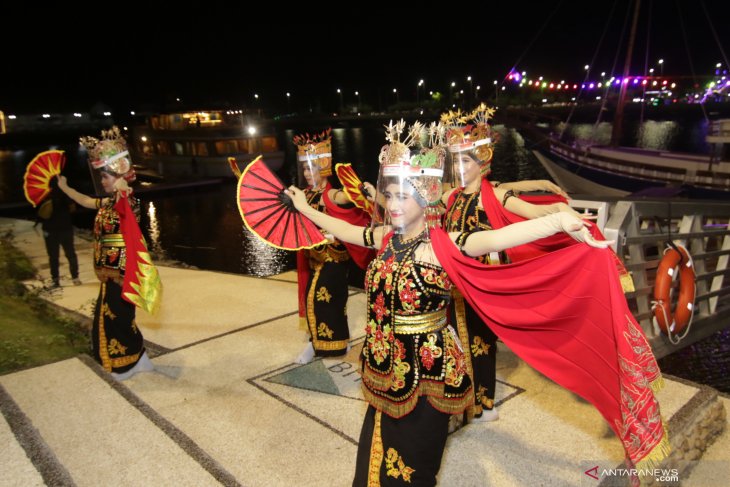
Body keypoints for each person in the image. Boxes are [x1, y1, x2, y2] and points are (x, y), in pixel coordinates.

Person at [277, 120, 666, 486]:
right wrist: (306, 208)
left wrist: (558, 223)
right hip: (382, 371)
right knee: (374, 465)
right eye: (390, 195)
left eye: (403, 196)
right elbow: (346, 228)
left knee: (413, 469)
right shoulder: (384, 238)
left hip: (428, 378)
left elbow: (498, 240)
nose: (394, 204)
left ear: (424, 196)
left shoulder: (442, 247)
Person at [440, 105, 580, 423]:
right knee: (454, 339)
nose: (459, 167)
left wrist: (560, 211)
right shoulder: (451, 197)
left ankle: (483, 403)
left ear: (481, 161)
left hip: (481, 280)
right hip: (451, 278)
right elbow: (421, 197)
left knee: (480, 343)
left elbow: (532, 211)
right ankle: (458, 396)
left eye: (465, 160)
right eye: (456, 160)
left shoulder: (495, 196)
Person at [58, 126, 161, 380]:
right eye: (101, 177)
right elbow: (84, 201)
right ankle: (139, 359)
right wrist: (64, 187)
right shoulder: (106, 203)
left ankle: (126, 364)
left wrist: (121, 179)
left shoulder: (128, 200)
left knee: (118, 319)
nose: (102, 181)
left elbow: (125, 195)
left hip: (123, 273)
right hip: (109, 273)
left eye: (105, 177)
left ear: (117, 174)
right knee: (115, 318)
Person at [291, 129, 373, 364]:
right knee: (326, 301)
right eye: (305, 169)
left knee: (321, 299)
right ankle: (336, 340)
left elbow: (346, 197)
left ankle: (314, 345)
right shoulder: (303, 195)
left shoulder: (332, 194)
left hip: (334, 259)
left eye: (313, 168)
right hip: (313, 259)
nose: (308, 174)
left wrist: (358, 191)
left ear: (323, 168)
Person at [38, 177, 81, 288]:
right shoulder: (65, 194)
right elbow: (72, 208)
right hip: (65, 227)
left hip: (49, 229)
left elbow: (40, 213)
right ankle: (75, 278)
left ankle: (55, 280)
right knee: (70, 254)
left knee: (53, 256)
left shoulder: (44, 195)